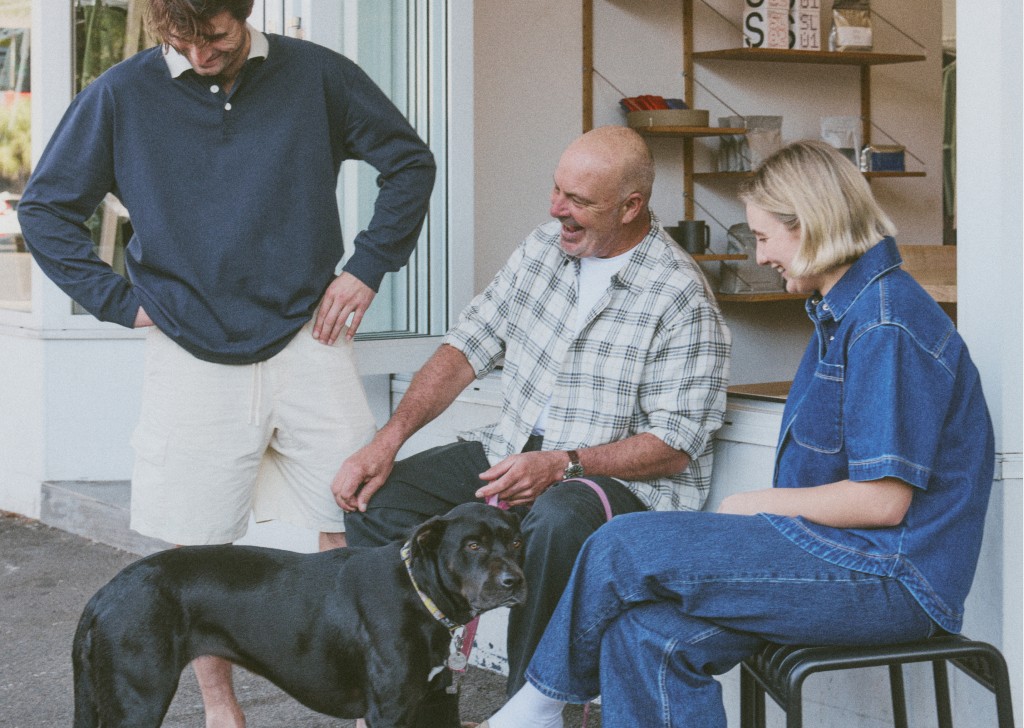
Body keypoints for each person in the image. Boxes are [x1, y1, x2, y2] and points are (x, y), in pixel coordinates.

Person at [480, 139, 995, 728]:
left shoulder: (885, 324)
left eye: (763, 237)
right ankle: (538, 708)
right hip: (839, 558)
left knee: (621, 543)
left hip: (890, 578)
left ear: (810, 225)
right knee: (641, 634)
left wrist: (755, 504)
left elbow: (883, 500)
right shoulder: (847, 313)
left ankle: (535, 708)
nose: (760, 256)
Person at [17, 1, 435, 726]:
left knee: (352, 518)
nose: (201, 54)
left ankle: (377, 702)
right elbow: (46, 208)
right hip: (188, 348)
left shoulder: (317, 76)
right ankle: (221, 711)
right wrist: (118, 301)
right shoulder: (120, 94)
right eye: (181, 39)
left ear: (242, 13)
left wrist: (366, 267)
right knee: (200, 544)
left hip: (311, 334)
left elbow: (409, 162)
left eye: (215, 35)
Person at [332, 124, 731, 720]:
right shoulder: (544, 248)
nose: (556, 209)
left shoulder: (680, 296)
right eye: (556, 190)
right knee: (379, 499)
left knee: (559, 514)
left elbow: (675, 446)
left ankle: (529, 706)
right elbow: (465, 349)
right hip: (515, 450)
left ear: (631, 206)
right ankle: (418, 697)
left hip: (619, 483)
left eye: (578, 201)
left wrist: (563, 464)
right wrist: (385, 441)